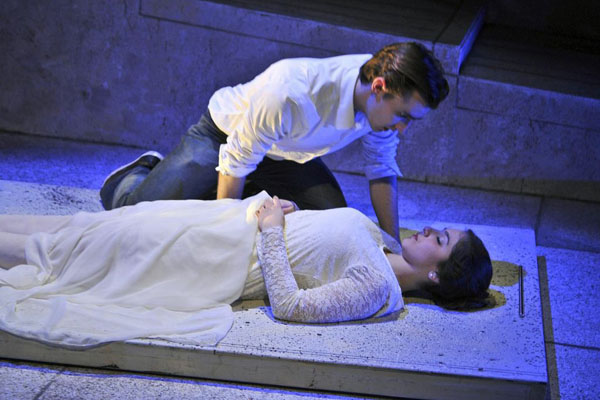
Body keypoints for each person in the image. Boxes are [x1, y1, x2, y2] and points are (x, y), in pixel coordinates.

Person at [0, 192, 492, 348]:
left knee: (88, 252)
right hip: (227, 225)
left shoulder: (376, 288)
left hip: (220, 257)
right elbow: (317, 244)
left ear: (437, 275)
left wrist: (274, 231)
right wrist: (291, 214)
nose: (431, 230)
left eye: (441, 240)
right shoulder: (381, 244)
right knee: (97, 228)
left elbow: (292, 306)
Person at [99, 42, 449, 241]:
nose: (402, 128)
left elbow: (382, 170)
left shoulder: (382, 101)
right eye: (403, 116)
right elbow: (237, 160)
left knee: (334, 228)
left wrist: (393, 245)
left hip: (286, 155)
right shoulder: (290, 90)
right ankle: (141, 172)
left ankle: (233, 190)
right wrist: (226, 236)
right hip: (225, 136)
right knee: (135, 220)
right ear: (379, 88)